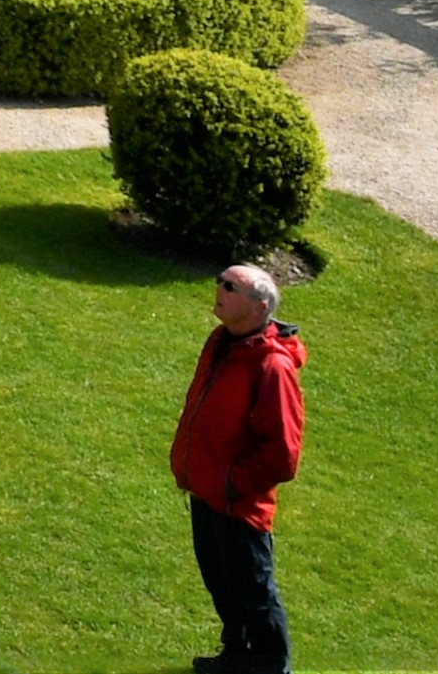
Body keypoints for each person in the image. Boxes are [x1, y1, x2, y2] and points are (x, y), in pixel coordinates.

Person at [170, 256, 305, 674]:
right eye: (221, 281)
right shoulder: (221, 340)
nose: (220, 291)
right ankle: (237, 658)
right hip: (207, 491)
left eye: (231, 287)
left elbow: (282, 455)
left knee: (253, 592)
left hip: (238, 503)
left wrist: (232, 482)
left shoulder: (272, 366)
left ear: (260, 307)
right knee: (223, 585)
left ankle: (268, 667)